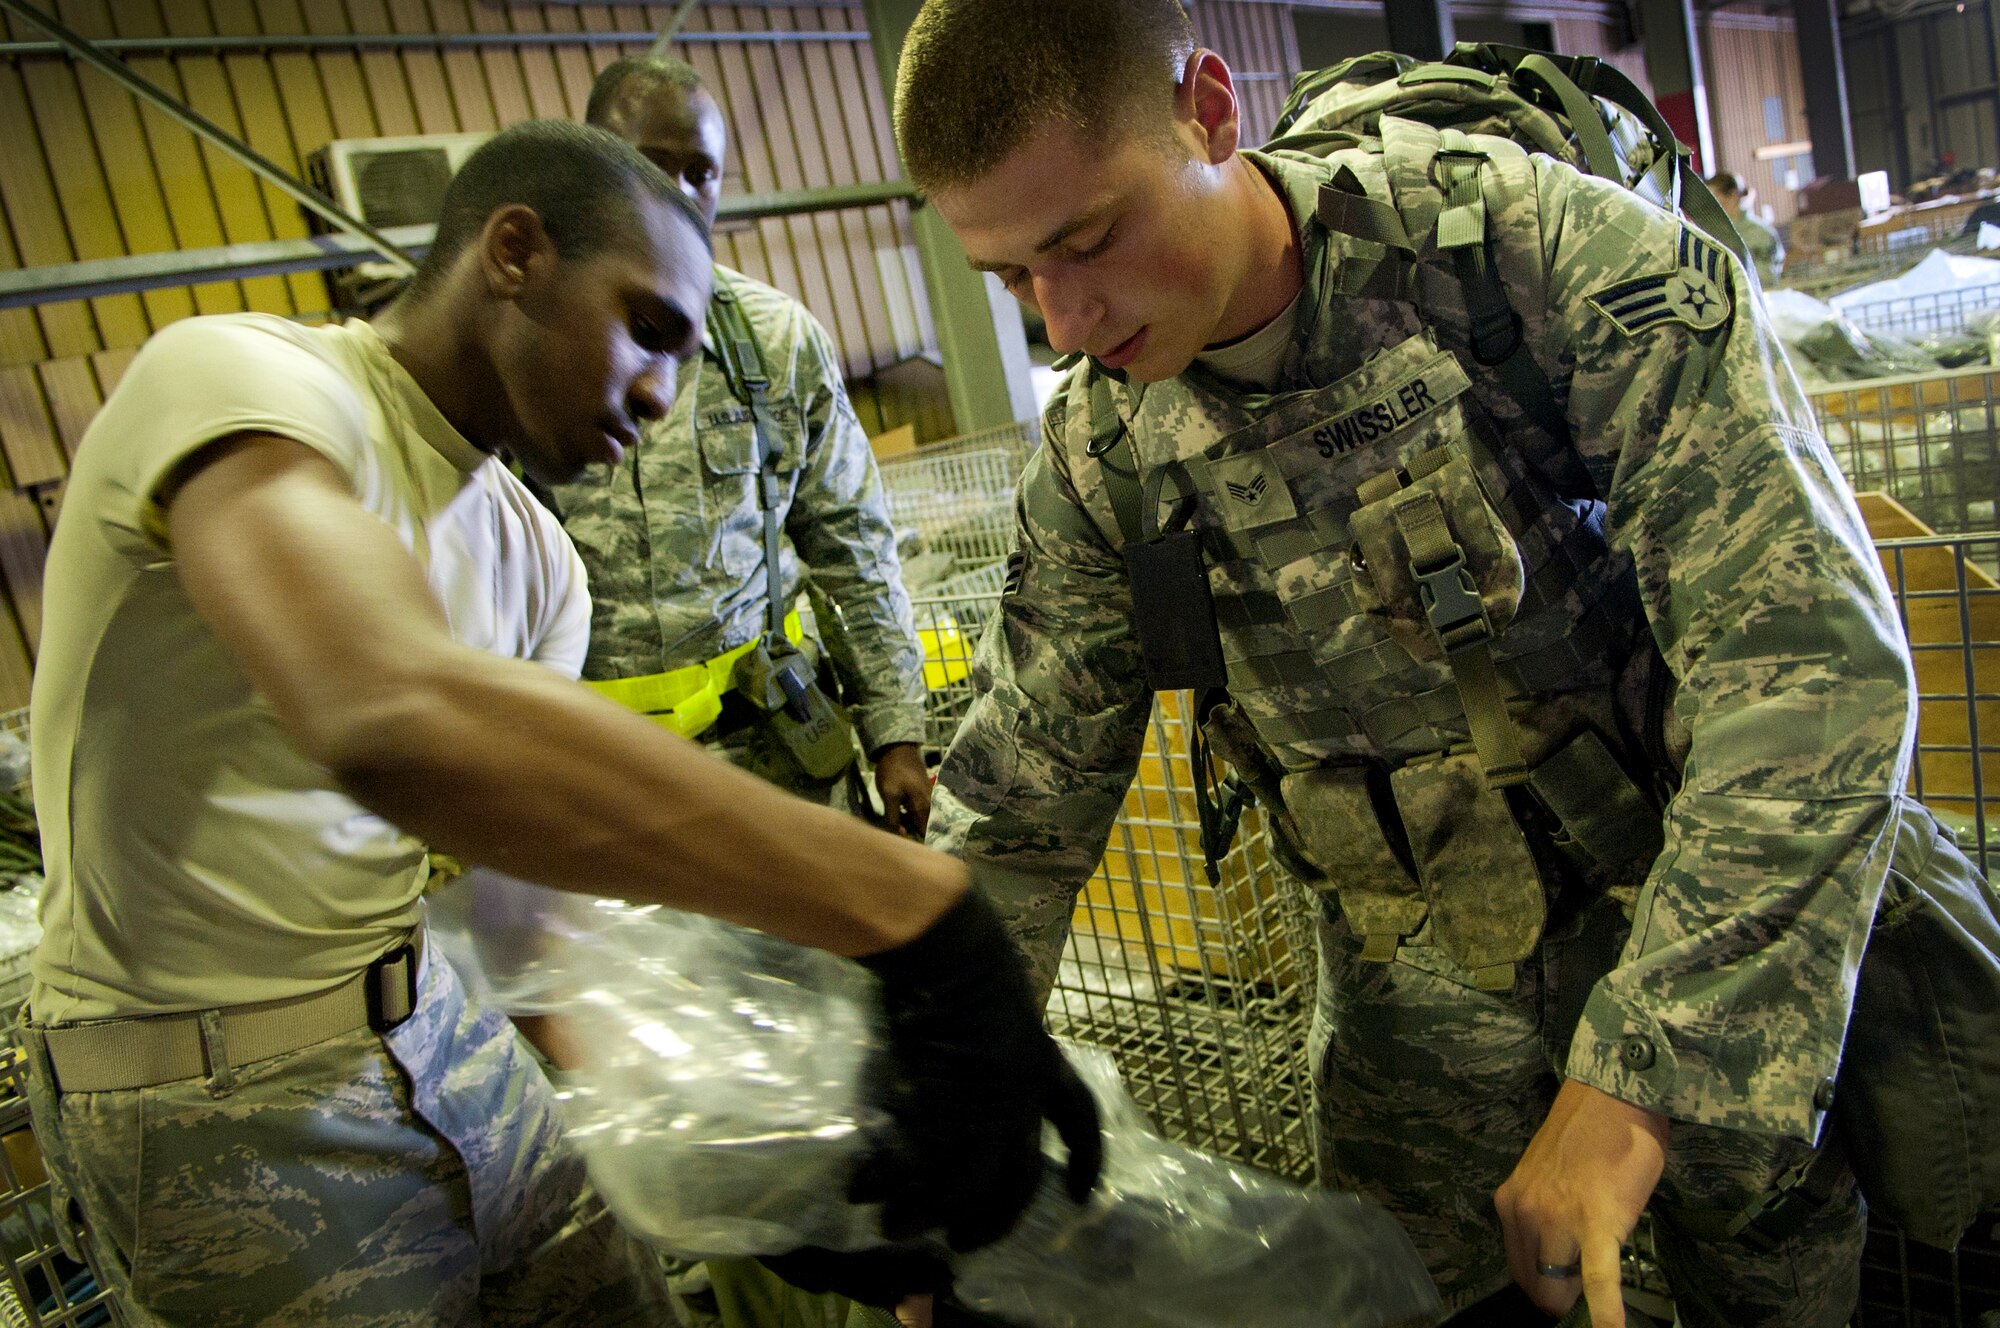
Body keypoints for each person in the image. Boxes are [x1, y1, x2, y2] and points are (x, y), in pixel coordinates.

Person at [895, 3, 1919, 1326]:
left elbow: (1810, 679)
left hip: (1696, 956)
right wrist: (939, 1133)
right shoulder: (1106, 455)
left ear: (1209, 109)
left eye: (1087, 240)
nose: (1066, 320)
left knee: (1758, 1285)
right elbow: (1019, 816)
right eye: (1012, 277)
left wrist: (1640, 1081)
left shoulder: (1542, 262)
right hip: (1407, 1018)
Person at [20, 119, 1094, 1326]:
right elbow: (390, 713)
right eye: (645, 327)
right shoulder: (245, 385)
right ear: (515, 252)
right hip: (222, 1088)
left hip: (445, 1029)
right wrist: (912, 913)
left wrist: (778, 1188)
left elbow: (531, 944)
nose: (658, 390)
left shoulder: (537, 563)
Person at [548, 56, 932, 836]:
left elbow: (850, 544)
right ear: (591, 164)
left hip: (771, 763)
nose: (681, 195)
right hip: (594, 781)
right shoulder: (534, 342)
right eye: (653, 167)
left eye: (702, 172)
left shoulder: (775, 341)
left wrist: (895, 732)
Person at [1708, 170, 1786, 285]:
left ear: (1733, 195)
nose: (1709, 204)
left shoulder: (1760, 233)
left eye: (1714, 197)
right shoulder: (1711, 232)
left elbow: (1769, 275)